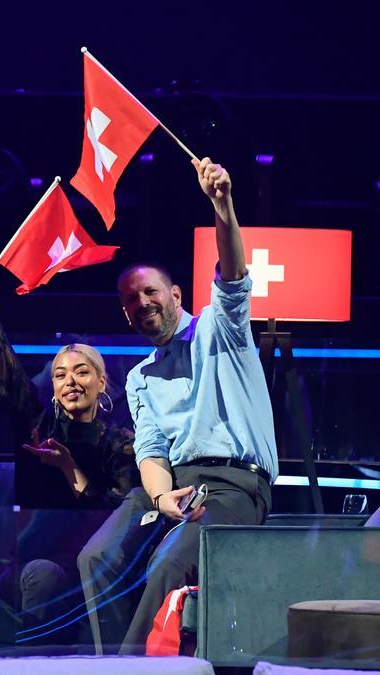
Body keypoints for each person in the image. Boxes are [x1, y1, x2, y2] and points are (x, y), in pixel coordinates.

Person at [0, 224, 149, 650]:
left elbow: (115, 517)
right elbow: (0, 354)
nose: (71, 381)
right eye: (61, 374)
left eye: (82, 372)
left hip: (96, 571)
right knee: (42, 575)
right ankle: (30, 662)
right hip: (31, 567)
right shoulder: (36, 422)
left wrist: (69, 469)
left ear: (102, 382)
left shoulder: (121, 443)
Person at [117, 158, 277, 654]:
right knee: (101, 558)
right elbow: (151, 450)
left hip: (234, 487)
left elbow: (233, 278)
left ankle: (127, 667)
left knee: (168, 564)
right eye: (131, 300)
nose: (142, 303)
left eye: (150, 292)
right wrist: (162, 498)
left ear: (175, 294)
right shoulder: (139, 377)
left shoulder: (218, 327)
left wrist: (222, 205)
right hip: (180, 491)